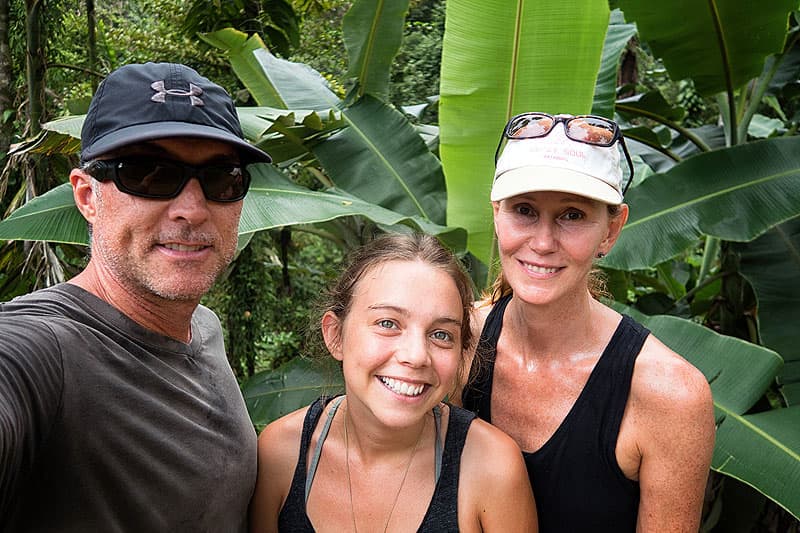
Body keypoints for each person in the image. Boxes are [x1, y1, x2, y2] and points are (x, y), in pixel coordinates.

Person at [0, 62, 272, 531]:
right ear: (87, 196)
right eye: (149, 174)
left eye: (220, 178)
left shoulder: (204, 327)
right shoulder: (44, 349)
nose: (192, 209)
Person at [461, 112, 716, 532]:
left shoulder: (669, 394)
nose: (542, 243)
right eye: (524, 210)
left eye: (573, 215)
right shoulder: (456, 342)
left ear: (612, 229)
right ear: (496, 214)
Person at [250, 233, 538, 532]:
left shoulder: (491, 467)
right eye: (387, 323)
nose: (416, 356)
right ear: (335, 335)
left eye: (441, 334)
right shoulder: (281, 453)